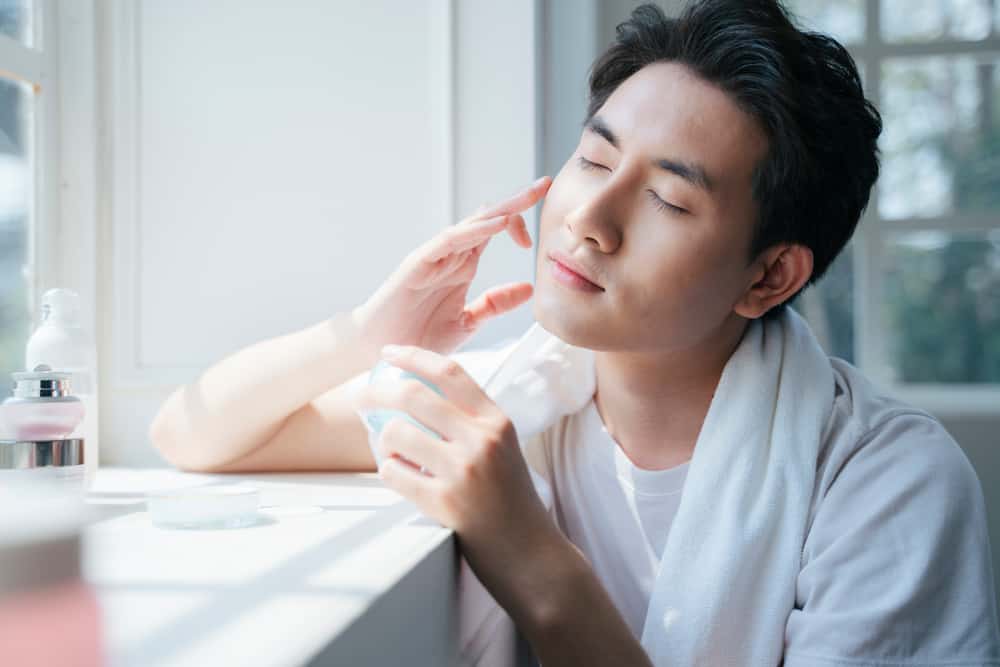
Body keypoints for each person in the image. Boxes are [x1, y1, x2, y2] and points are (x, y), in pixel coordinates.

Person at [149, 1, 1000, 665]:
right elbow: (194, 432)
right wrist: (367, 333)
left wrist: (531, 557)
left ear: (768, 275)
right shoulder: (521, 394)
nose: (588, 217)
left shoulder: (892, 484)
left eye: (668, 199)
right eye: (594, 159)